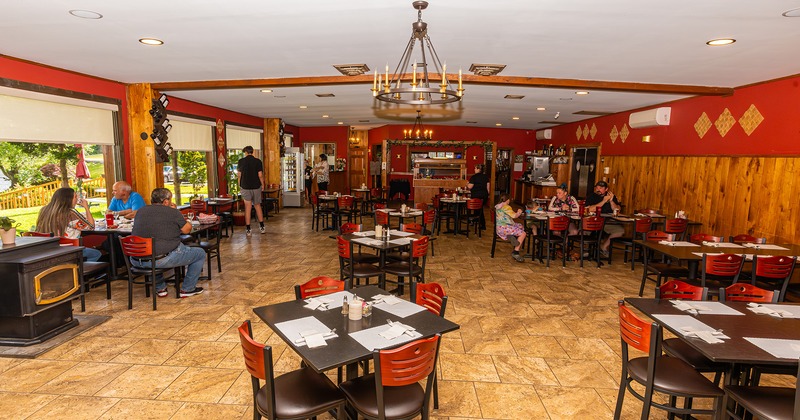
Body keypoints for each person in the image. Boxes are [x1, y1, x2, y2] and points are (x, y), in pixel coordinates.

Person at [131, 188, 205, 298]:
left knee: (154, 250)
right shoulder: (172, 212)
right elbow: (186, 230)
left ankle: (160, 288)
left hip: (136, 260)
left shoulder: (140, 211)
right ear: (166, 201)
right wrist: (180, 215)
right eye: (170, 199)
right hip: (159, 260)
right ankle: (188, 289)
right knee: (200, 253)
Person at [35, 187, 102, 262]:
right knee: (96, 254)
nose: (77, 199)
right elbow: (91, 226)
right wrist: (86, 208)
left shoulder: (44, 210)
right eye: (75, 197)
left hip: (49, 250)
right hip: (68, 250)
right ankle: (78, 268)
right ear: (68, 199)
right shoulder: (70, 213)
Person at [585, 180, 623, 256]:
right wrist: (604, 201)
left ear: (606, 189)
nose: (598, 189)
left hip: (607, 221)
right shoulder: (592, 196)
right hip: (593, 220)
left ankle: (604, 247)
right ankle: (586, 249)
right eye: (597, 188)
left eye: (601, 188)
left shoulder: (611, 196)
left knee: (620, 231)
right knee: (584, 230)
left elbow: (617, 209)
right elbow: (589, 209)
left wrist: (611, 201)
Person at [237, 145, 266, 236]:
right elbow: (260, 175)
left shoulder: (241, 161)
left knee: (248, 207)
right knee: (257, 206)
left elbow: (239, 175)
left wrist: (239, 184)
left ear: (246, 152)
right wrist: (262, 184)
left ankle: (248, 229)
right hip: (256, 186)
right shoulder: (258, 161)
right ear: (252, 152)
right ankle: (262, 227)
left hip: (245, 186)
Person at [494, 193, 526, 262]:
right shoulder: (506, 207)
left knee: (520, 226)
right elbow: (514, 216)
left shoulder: (498, 206)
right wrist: (519, 212)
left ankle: (511, 236)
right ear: (508, 200)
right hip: (505, 228)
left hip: (499, 228)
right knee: (523, 233)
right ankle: (516, 252)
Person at [467, 164, 490, 230]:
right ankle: (476, 221)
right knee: (479, 209)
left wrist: (467, 183)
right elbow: (488, 188)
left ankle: (480, 223)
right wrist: (487, 195)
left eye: (475, 168)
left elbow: (470, 187)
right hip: (484, 196)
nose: (474, 169)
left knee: (478, 210)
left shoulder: (474, 177)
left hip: (476, 196)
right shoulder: (485, 177)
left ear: (478, 169)